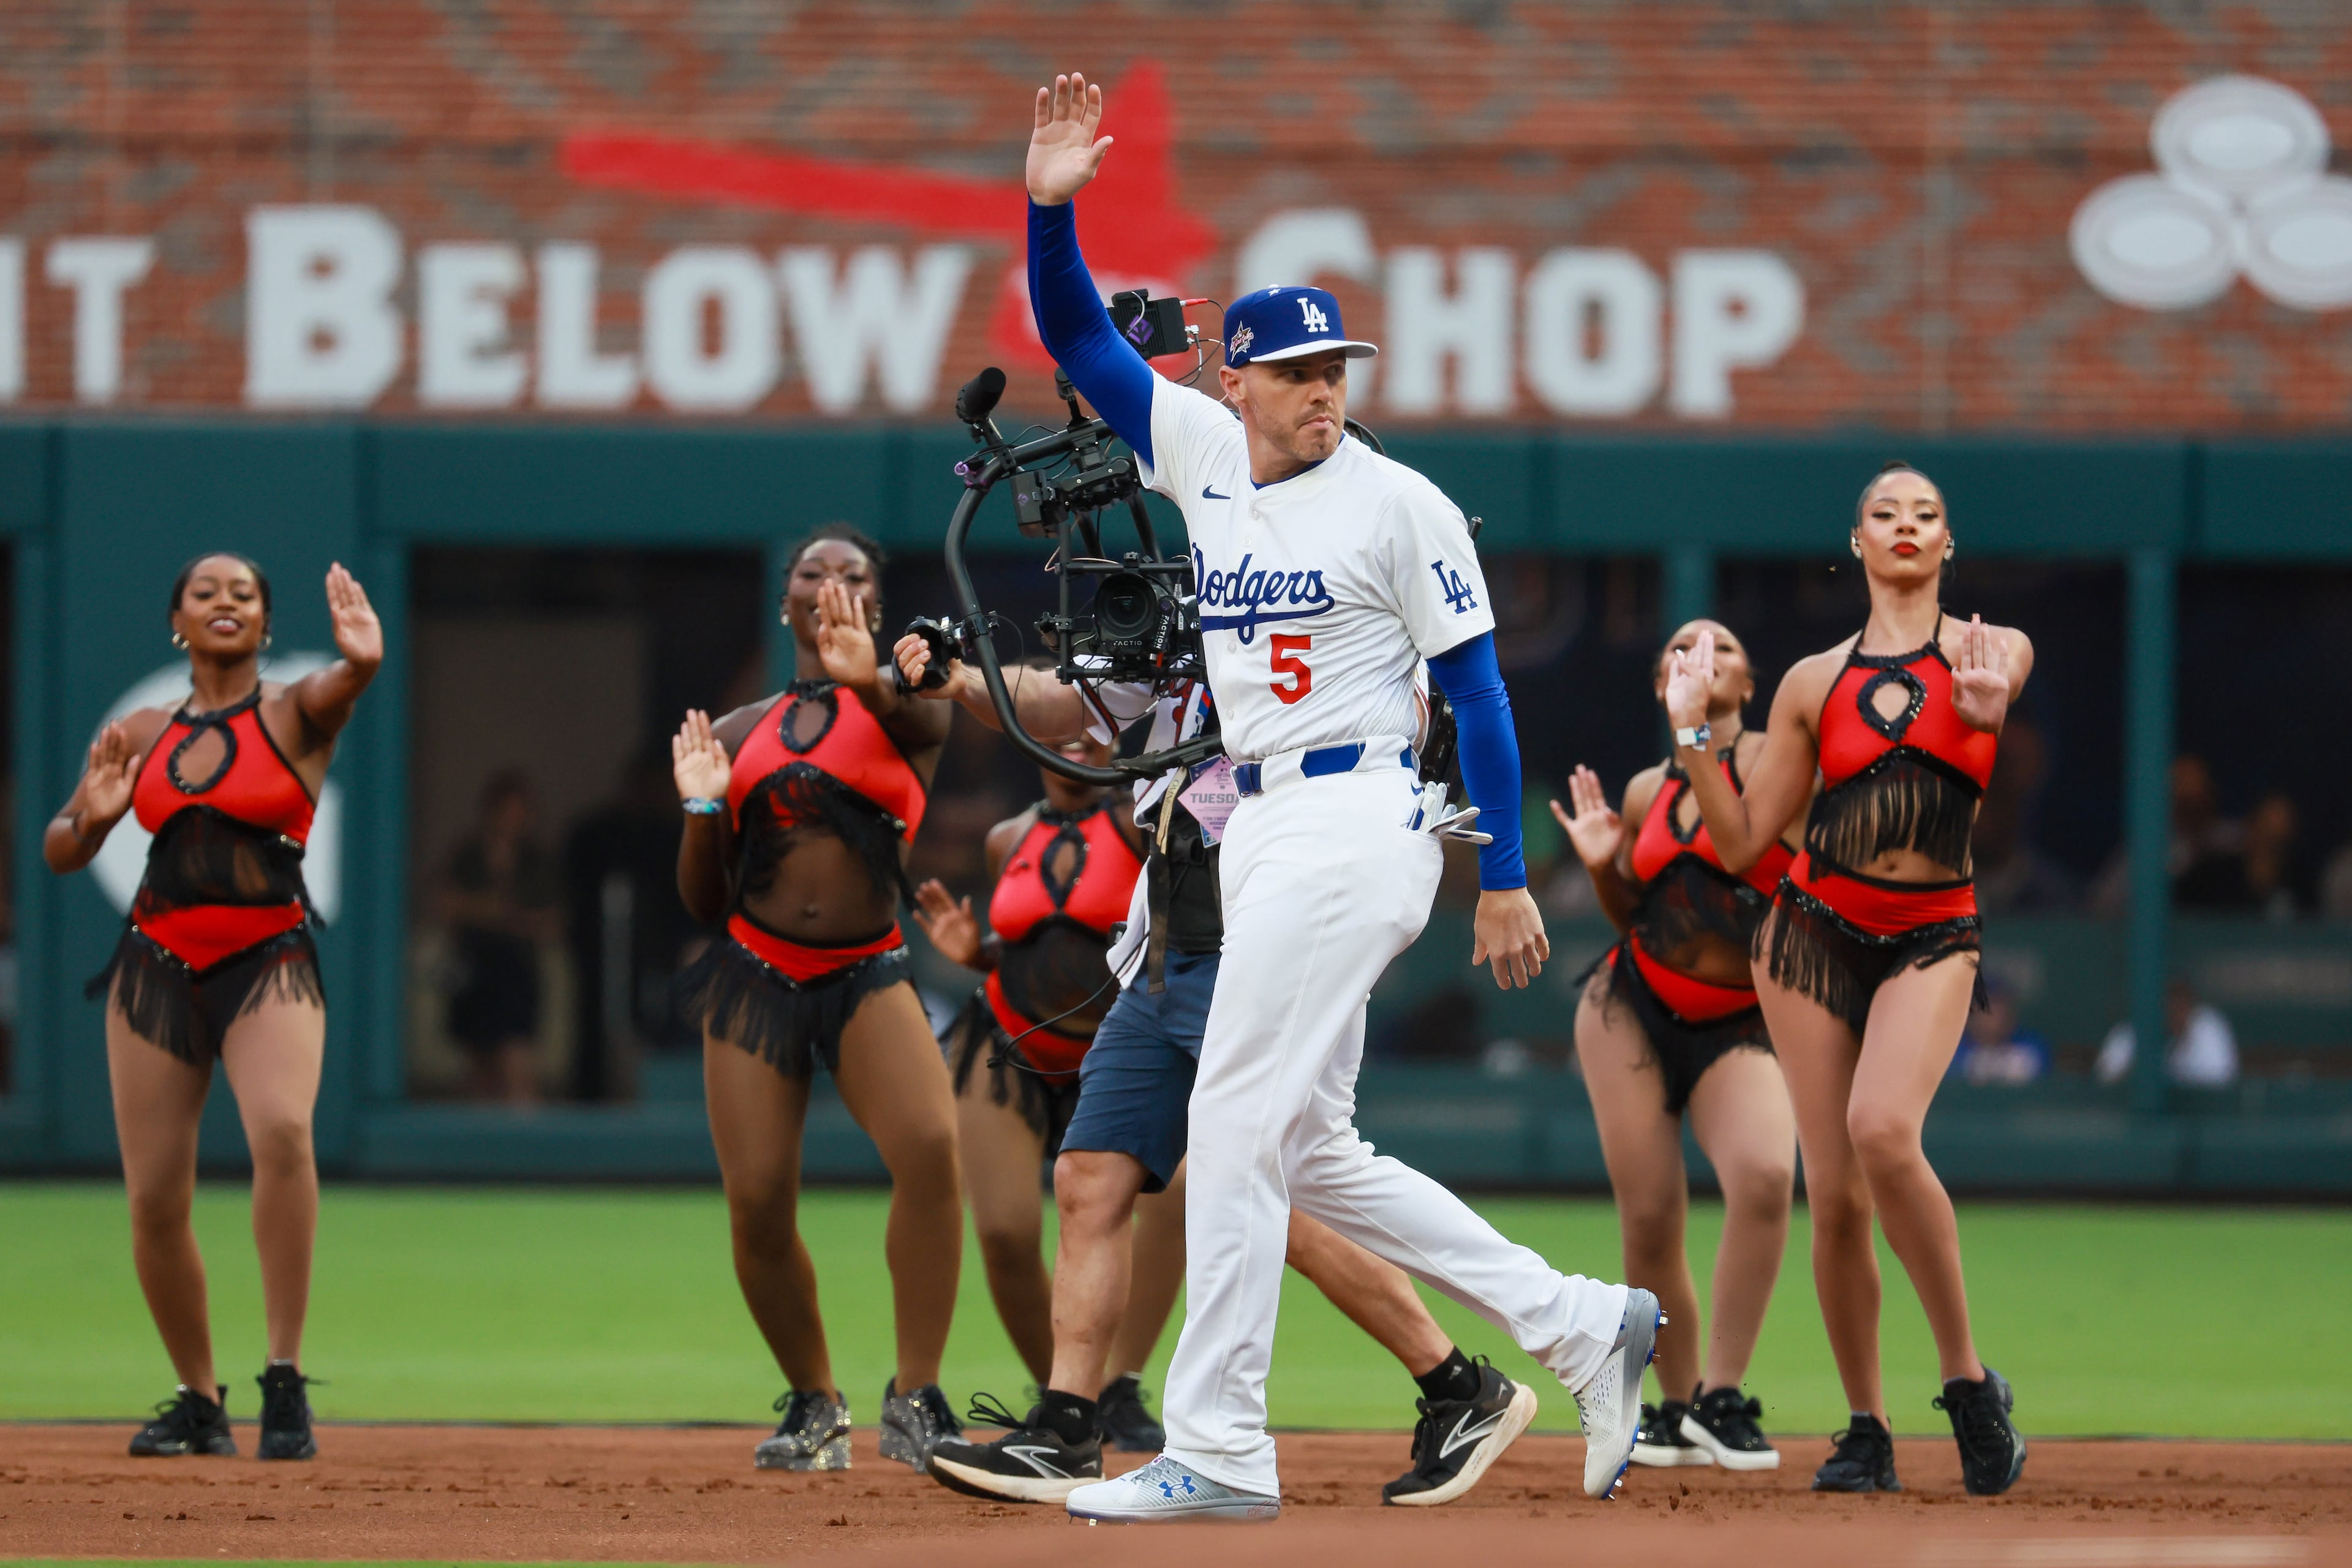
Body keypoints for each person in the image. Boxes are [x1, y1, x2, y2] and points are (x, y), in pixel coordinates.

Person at [1022, 74, 1655, 1522]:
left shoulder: (1399, 502)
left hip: (1359, 815)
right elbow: (1067, 331)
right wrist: (1054, 205)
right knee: (1309, 1146)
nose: (1323, 389)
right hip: (1266, 829)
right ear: (1231, 380)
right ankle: (1574, 1321)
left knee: (1234, 1117)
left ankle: (1221, 1446)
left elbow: (1480, 694)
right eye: (1296, 369)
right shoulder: (1195, 454)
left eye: (1336, 368)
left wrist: (1498, 870)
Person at [895, 635, 1537, 1509]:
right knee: (1089, 1175)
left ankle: (1458, 1383)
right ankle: (1068, 1431)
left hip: (1256, 946)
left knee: (1291, 1199)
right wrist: (963, 679)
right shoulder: (1184, 633)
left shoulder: (1321, 639)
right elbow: (1061, 700)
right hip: (1163, 951)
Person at [1664, 460, 2034, 1497]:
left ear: (1946, 544)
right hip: (1812, 934)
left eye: (1927, 515)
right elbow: (1740, 845)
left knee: (1883, 1131)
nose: (1907, 526)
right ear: (1858, 542)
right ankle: (1866, 1426)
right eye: (1886, 514)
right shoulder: (1812, 682)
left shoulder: (1988, 648)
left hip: (1931, 931)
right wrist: (1694, 732)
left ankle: (1968, 1385)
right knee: (1835, 1196)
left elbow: (1998, 700)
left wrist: (1993, 700)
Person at [46, 554, 380, 1462]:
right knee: (155, 1200)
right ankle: (199, 1400)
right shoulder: (142, 730)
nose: (225, 602)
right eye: (206, 593)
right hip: (156, 964)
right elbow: (60, 847)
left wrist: (360, 662)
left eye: (244, 595)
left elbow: (342, 685)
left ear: (266, 625)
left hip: (266, 957)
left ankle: (283, 1375)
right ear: (178, 622)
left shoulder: (295, 712)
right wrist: (98, 815)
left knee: (282, 1132)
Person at [669, 525, 965, 1474]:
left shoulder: (907, 704)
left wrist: (869, 673)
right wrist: (704, 808)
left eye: (853, 573)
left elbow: (917, 724)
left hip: (867, 969)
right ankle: (815, 1402)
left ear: (875, 602)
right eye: (812, 571)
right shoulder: (735, 729)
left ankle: (916, 1395)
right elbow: (704, 900)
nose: (831, 582)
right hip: (757, 971)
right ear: (785, 598)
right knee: (757, 1204)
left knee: (929, 1151)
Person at [1552, 617, 1800, 1472]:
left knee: (1766, 1177)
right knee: (1651, 1216)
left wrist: (1697, 733)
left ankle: (1724, 1396)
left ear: (1749, 682)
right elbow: (1638, 915)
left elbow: (1744, 847)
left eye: (1725, 648)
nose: (1703, 657)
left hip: (1743, 1015)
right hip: (1631, 1004)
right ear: (1662, 681)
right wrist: (1598, 868)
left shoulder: (1776, 760)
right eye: (1682, 650)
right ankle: (1679, 1404)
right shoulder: (1643, 788)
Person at [911, 731, 1179, 1450]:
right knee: (1003, 1231)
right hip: (1008, 1043)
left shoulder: (1141, 820)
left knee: (1176, 1199)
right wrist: (976, 952)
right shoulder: (1007, 837)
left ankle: (1118, 1384)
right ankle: (1066, 1400)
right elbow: (1031, 940)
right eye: (1057, 733)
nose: (1075, 745)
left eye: (1091, 733)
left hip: (1120, 1052)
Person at [440, 769, 559, 1104]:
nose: (513, 821)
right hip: (474, 966)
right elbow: (447, 904)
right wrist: (488, 911)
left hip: (517, 971)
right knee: (478, 1067)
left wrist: (510, 918)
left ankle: (526, 1143)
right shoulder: (469, 855)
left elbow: (552, 921)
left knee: (517, 1061)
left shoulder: (536, 861)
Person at [2095, 978, 2237, 1088]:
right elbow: (2104, 1080)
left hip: (2198, 1120)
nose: (2174, 1007)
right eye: (2168, 998)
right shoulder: (2129, 1031)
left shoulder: (2209, 1026)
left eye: (2180, 998)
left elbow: (2218, 1082)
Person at [1950, 978, 2050, 1087]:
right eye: (1985, 1007)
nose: (1993, 1016)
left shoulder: (2033, 1047)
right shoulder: (1952, 1050)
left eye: (1999, 1007)